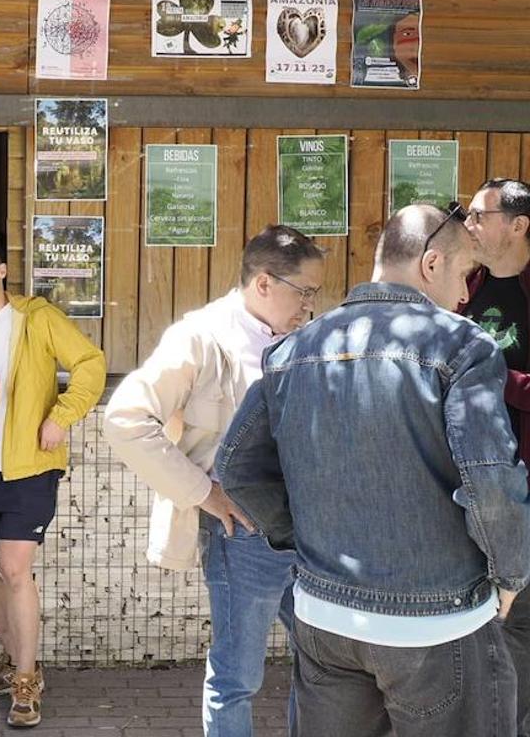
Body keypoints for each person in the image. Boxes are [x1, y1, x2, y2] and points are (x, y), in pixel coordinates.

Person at [217, 204, 530, 737]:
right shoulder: (461, 345)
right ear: (431, 264)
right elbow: (490, 479)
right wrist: (511, 572)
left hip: (325, 619)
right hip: (437, 622)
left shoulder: (292, 350)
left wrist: (305, 538)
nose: (464, 297)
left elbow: (236, 468)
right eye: (462, 276)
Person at [104, 225, 325, 737]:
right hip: (244, 533)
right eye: (305, 291)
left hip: (311, 529)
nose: (312, 304)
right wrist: (203, 493)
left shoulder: (305, 334)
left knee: (324, 667)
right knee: (237, 676)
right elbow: (125, 418)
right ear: (264, 283)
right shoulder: (199, 336)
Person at [0, 235, 106, 729]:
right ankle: (18, 660)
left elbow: (90, 364)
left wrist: (62, 415)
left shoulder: (37, 317)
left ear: (2, 270)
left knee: (13, 566)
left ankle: (25, 683)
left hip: (29, 466)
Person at [464, 178, 530, 735]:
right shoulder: (469, 283)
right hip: (468, 472)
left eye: (481, 215)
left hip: (523, 473)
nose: (471, 225)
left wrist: (495, 378)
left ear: (517, 224)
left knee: (520, 615)